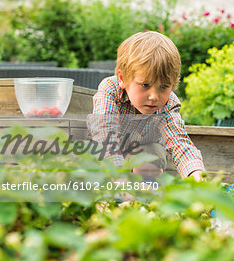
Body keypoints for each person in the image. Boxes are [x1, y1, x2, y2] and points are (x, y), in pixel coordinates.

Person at [87, 31, 205, 199]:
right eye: (145, 85)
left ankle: (147, 200)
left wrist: (196, 175)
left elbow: (179, 142)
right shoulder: (110, 89)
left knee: (150, 155)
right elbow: (105, 134)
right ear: (122, 78)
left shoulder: (168, 103)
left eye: (164, 87)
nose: (154, 96)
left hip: (143, 152)